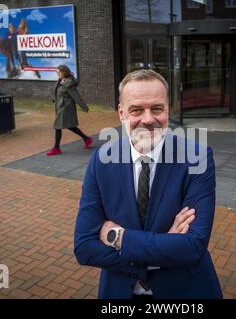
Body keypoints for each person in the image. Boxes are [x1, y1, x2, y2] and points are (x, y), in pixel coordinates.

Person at [74, 69, 222, 299]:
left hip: (184, 293)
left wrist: (118, 237)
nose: (148, 119)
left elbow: (193, 247)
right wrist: (165, 250)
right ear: (121, 114)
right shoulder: (101, 160)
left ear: (168, 110)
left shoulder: (197, 158)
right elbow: (84, 248)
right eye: (136, 110)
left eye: (157, 108)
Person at [46, 65, 93, 156]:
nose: (58, 74)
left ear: (64, 72)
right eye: (57, 73)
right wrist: (55, 99)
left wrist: (83, 106)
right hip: (60, 106)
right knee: (70, 126)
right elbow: (58, 91)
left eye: (59, 72)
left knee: (57, 126)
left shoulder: (68, 83)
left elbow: (76, 95)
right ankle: (86, 139)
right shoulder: (61, 80)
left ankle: (56, 148)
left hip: (66, 108)